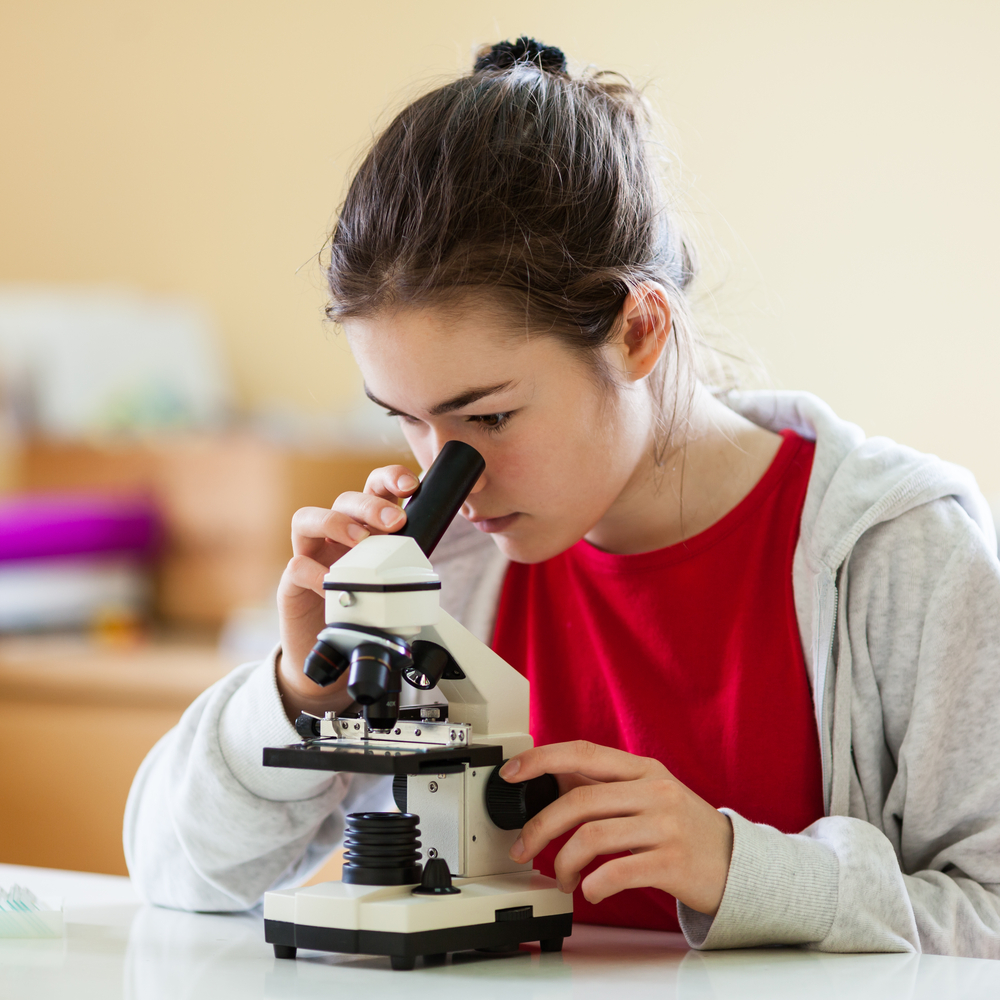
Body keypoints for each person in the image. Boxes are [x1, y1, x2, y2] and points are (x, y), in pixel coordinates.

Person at [124, 37, 1000, 957]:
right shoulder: (443, 568)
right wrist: (300, 691)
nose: (445, 475)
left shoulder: (903, 557)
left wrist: (744, 868)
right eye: (406, 419)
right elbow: (178, 876)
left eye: (488, 418)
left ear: (637, 330)